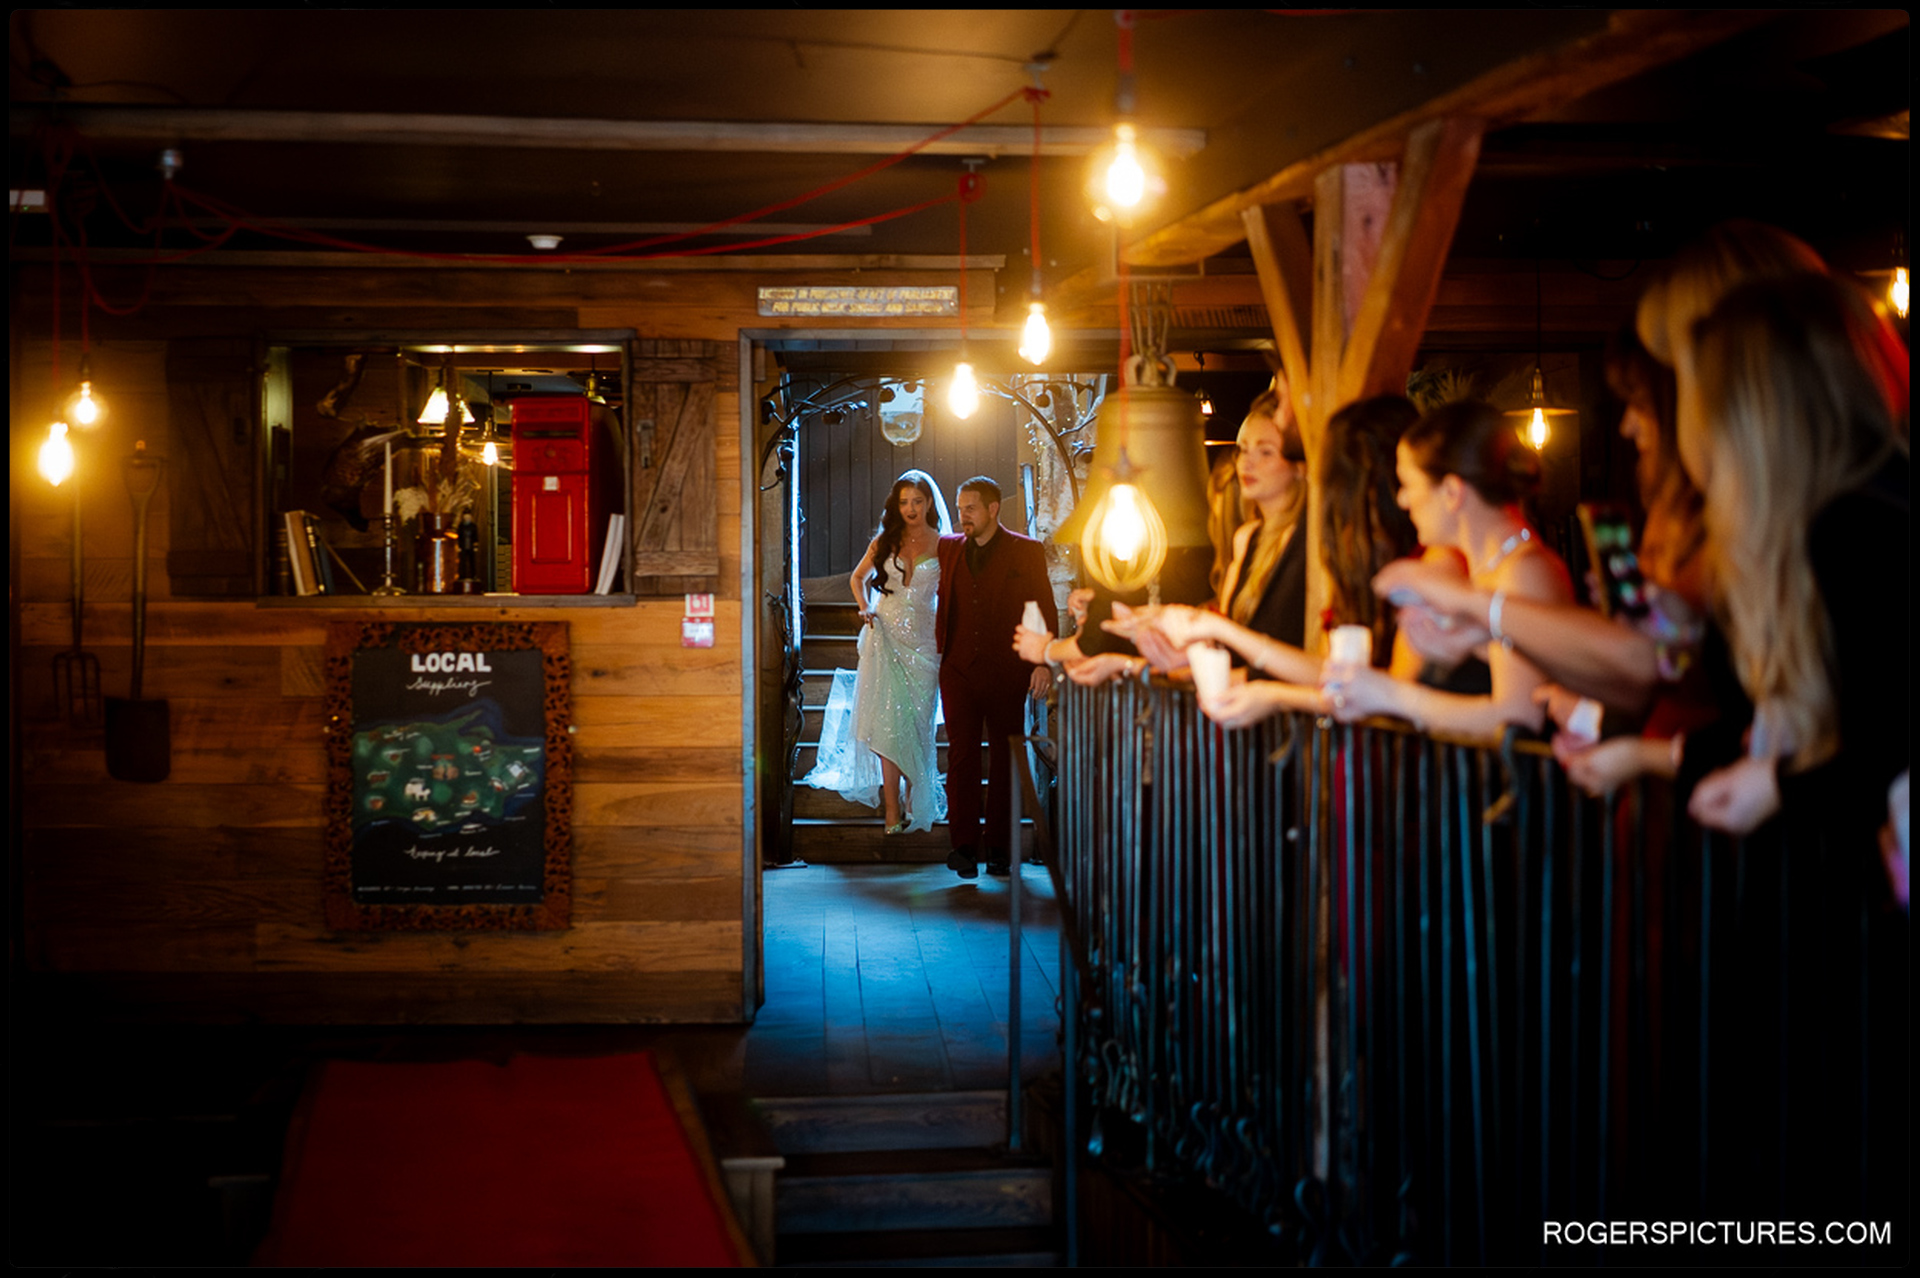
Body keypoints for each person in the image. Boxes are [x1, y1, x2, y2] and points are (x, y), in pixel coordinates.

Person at [1328, 400, 1573, 739]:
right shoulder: (1485, 569)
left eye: (1408, 484)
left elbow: (1517, 716)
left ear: (1452, 492)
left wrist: (1392, 696)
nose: (1402, 500)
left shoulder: (1522, 571)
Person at [802, 471, 951, 834]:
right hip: (884, 634)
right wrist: (864, 606)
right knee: (887, 723)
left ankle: (917, 797)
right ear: (895, 506)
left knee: (917, 723)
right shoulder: (885, 541)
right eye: (904, 502)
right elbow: (858, 578)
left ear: (929, 503)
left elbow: (952, 591)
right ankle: (890, 807)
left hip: (926, 640)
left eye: (917, 501)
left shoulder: (945, 543)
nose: (911, 508)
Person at [936, 476, 1058, 879]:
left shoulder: (1026, 551)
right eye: (959, 508)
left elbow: (1040, 606)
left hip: (1007, 670)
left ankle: (1001, 848)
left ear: (993, 509)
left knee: (1007, 757)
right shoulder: (949, 548)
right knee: (961, 756)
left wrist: (1042, 661)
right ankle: (965, 847)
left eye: (970, 508)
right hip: (957, 669)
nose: (962, 516)